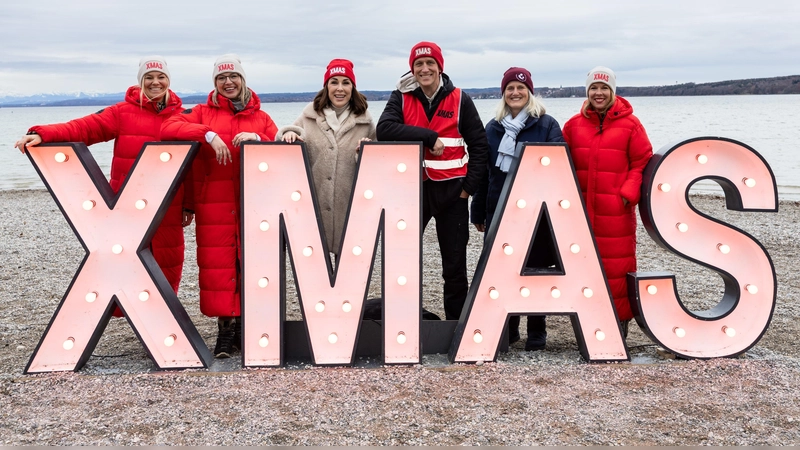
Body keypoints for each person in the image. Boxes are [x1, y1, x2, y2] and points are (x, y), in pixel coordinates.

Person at [14, 56, 192, 308]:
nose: (155, 82)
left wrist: (190, 204)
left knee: (168, 263)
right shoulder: (122, 112)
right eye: (149, 77)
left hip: (168, 204)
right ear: (140, 81)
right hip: (126, 204)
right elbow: (84, 128)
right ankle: (137, 316)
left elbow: (195, 165)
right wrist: (41, 134)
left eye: (161, 77)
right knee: (125, 262)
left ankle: (163, 321)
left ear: (168, 81)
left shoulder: (183, 115)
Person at [160, 54, 278, 358]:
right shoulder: (201, 112)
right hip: (215, 202)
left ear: (243, 80)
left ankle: (245, 326)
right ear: (215, 83)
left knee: (249, 264)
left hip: (254, 203)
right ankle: (225, 332)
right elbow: (169, 128)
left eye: (233, 77)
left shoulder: (261, 117)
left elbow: (281, 147)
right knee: (219, 268)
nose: (228, 83)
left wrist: (259, 138)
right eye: (221, 78)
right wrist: (207, 134)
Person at [377, 41, 489, 320]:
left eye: (430, 63)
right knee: (402, 258)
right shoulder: (400, 97)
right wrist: (428, 136)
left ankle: (455, 325)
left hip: (453, 193)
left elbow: (479, 147)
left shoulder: (461, 99)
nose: (424, 69)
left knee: (454, 265)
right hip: (414, 193)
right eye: (418, 64)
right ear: (412, 69)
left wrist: (467, 190)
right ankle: (404, 320)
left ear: (440, 67)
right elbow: (384, 129)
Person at [471, 67, 565, 351]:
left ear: (530, 92)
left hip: (536, 212)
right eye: (510, 88)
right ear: (503, 94)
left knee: (535, 269)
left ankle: (537, 329)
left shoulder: (547, 125)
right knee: (502, 269)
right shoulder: (493, 128)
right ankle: (509, 328)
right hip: (500, 209)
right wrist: (478, 212)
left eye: (521, 88)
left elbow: (559, 167)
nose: (515, 93)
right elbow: (486, 173)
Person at [561, 66, 653, 337]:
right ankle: (586, 328)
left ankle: (618, 327)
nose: (598, 93)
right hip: (581, 209)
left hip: (616, 210)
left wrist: (627, 193)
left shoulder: (631, 125)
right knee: (582, 266)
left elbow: (642, 160)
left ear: (613, 91)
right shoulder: (573, 125)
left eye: (604, 88)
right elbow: (561, 162)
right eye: (593, 88)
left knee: (616, 266)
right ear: (587, 91)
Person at [277, 59, 375, 258]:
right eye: (334, 82)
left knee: (349, 271)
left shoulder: (366, 122)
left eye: (346, 82)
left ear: (353, 87)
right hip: (313, 208)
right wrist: (289, 135)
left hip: (350, 210)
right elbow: (286, 137)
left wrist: (365, 152)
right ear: (326, 86)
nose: (340, 88)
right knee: (313, 271)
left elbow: (376, 167)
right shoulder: (309, 116)